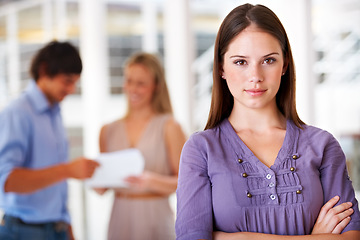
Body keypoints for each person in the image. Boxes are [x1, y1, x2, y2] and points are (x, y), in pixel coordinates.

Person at [175, 4, 360, 240]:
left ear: (284, 65)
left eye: (268, 60)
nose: (255, 76)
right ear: (221, 67)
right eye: (240, 62)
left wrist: (233, 237)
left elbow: (351, 236)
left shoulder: (323, 145)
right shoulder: (201, 149)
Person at [0, 40, 100, 240]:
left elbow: (55, 186)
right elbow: (7, 181)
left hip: (57, 228)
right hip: (24, 231)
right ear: (44, 70)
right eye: (67, 81)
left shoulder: (54, 113)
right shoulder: (18, 112)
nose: (72, 90)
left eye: (75, 82)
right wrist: (68, 170)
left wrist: (67, 229)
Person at [96, 52, 186, 240]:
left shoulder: (170, 127)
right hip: (119, 221)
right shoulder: (108, 130)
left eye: (141, 83)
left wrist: (152, 181)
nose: (133, 89)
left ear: (156, 86)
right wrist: (93, 178)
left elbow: (186, 183)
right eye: (129, 81)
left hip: (156, 220)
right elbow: (102, 188)